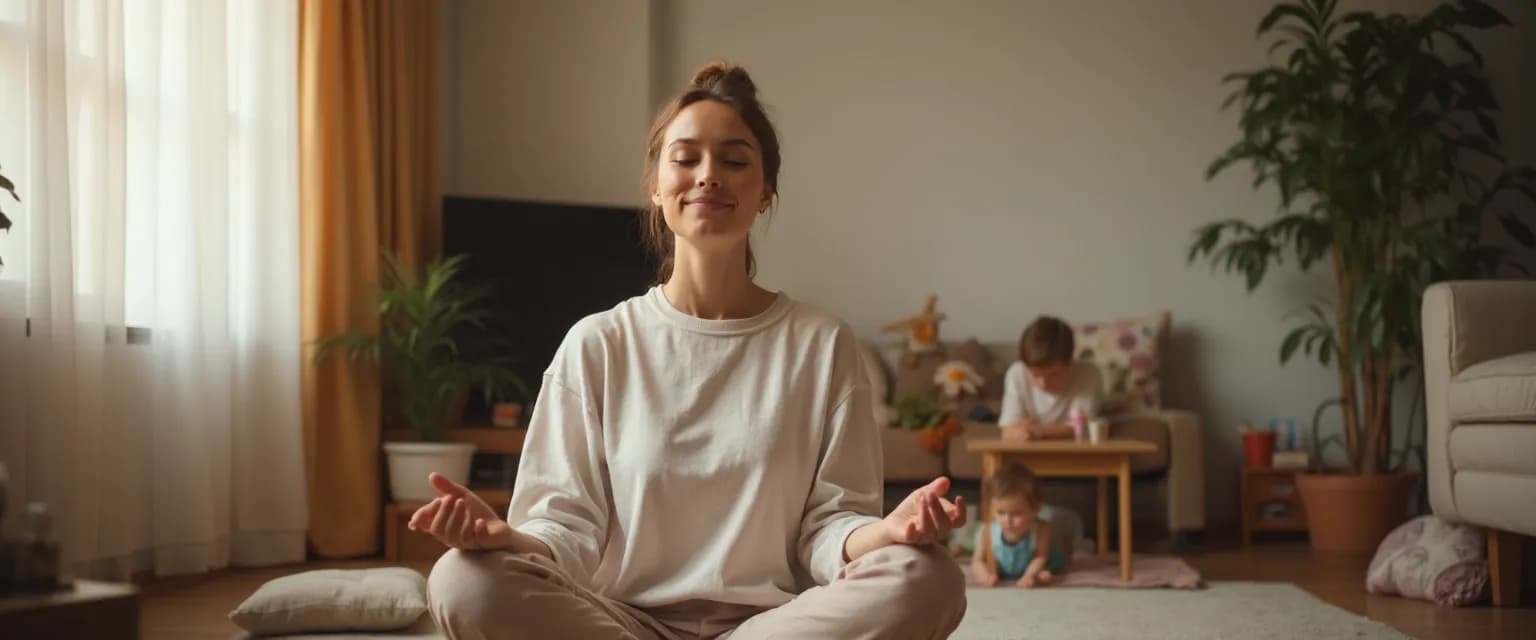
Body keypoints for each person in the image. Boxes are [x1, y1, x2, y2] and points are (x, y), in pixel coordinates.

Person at [408, 61, 969, 639]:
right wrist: (507, 540)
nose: (708, 176)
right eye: (685, 159)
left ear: (765, 192)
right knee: (461, 579)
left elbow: (830, 526)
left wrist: (889, 532)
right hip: (620, 625)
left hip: (771, 627)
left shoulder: (823, 346)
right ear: (656, 186)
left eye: (734, 161)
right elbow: (564, 527)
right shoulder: (598, 344)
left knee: (927, 577)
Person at [998, 315, 1103, 440]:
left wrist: (1037, 430)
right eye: (1035, 375)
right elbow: (1007, 431)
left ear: (1070, 362)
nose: (1043, 384)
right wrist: (1019, 431)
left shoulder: (1088, 374)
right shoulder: (1017, 373)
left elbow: (1083, 428)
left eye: (1054, 375)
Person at [971, 463, 1067, 588]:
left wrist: (1029, 576)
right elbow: (977, 560)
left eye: (1016, 514)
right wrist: (985, 576)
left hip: (1040, 565)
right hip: (1006, 569)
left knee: (1054, 562)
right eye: (1000, 512)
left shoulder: (1041, 529)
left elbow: (1041, 557)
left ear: (1036, 508)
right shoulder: (987, 531)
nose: (1007, 520)